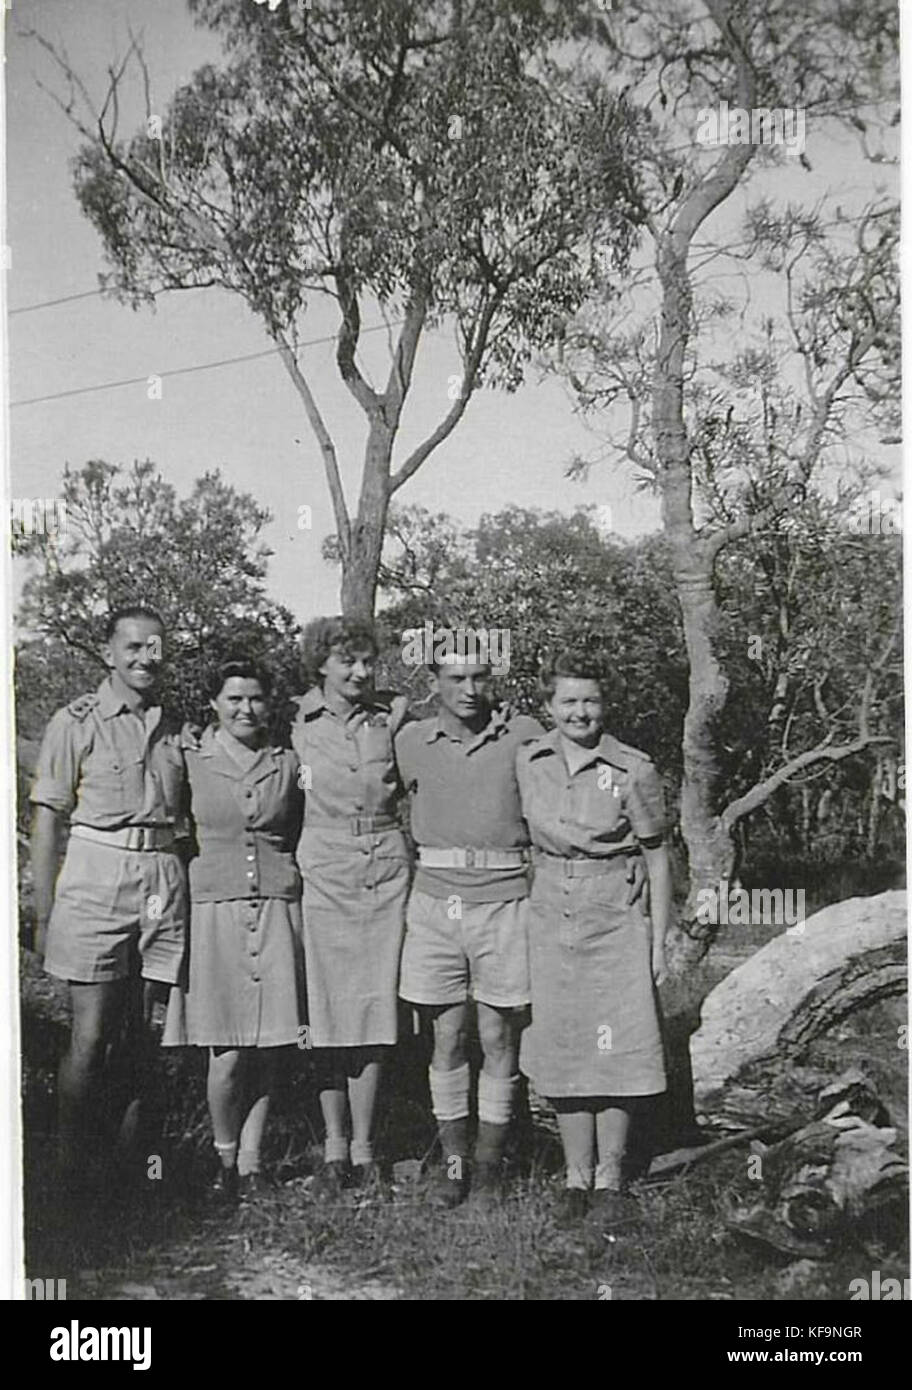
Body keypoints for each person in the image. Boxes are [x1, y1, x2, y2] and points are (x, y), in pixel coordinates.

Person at [29, 606, 188, 1195]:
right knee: (92, 1034)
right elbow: (47, 821)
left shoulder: (175, 725)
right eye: (133, 647)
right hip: (97, 874)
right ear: (108, 651)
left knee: (146, 1034)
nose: (146, 657)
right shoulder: (76, 721)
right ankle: (72, 1172)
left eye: (156, 647)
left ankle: (135, 1169)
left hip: (162, 877)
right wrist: (45, 914)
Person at [516, 650, 671, 1234]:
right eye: (568, 701)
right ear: (549, 707)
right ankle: (572, 1175)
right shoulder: (529, 761)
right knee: (565, 1044)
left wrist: (658, 937)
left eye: (590, 700)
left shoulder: (633, 768)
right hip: (550, 911)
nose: (580, 712)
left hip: (615, 912)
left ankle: (610, 1176)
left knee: (616, 1048)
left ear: (604, 705)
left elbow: (657, 855)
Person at [395, 653, 545, 1209]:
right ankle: (453, 1165)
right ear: (433, 683)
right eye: (455, 678)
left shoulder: (523, 734)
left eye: (480, 677)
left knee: (500, 1037)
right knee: (446, 1037)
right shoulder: (409, 739)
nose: (469, 688)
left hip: (505, 901)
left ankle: (489, 1169)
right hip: (436, 901)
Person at [163, 660, 305, 1202]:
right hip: (215, 912)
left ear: (270, 704)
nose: (246, 709)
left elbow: (301, 825)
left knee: (270, 1046)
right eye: (234, 699)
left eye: (256, 698)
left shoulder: (288, 763)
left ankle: (252, 1162)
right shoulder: (191, 757)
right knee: (225, 1051)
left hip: (274, 907)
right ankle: (224, 1160)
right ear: (214, 705)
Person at [291, 617, 410, 1197]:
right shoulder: (293, 720)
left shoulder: (390, 717)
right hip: (324, 866)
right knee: (326, 1011)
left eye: (367, 662)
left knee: (374, 1010)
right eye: (348, 662)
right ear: (321, 665)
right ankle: (333, 1144)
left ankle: (366, 1146)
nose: (361, 672)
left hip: (385, 866)